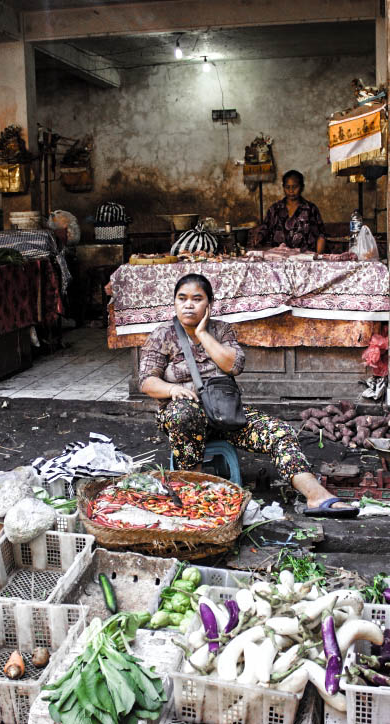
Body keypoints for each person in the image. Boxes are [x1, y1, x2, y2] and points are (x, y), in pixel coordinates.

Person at [138, 273, 356, 518]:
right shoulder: (162, 334)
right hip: (184, 418)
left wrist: (203, 334)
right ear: (175, 302)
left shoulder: (221, 330)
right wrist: (172, 389)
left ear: (209, 304)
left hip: (226, 415)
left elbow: (234, 366)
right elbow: (146, 381)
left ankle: (316, 495)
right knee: (184, 413)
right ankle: (193, 492)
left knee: (279, 432)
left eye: (197, 299)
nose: (189, 304)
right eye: (182, 298)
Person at [253, 169, 327, 253]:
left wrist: (318, 255)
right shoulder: (274, 209)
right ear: (283, 187)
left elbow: (321, 235)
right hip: (278, 258)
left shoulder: (310, 209)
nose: (291, 191)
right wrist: (259, 236)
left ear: (302, 187)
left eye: (295, 187)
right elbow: (265, 229)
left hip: (305, 258)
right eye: (287, 187)